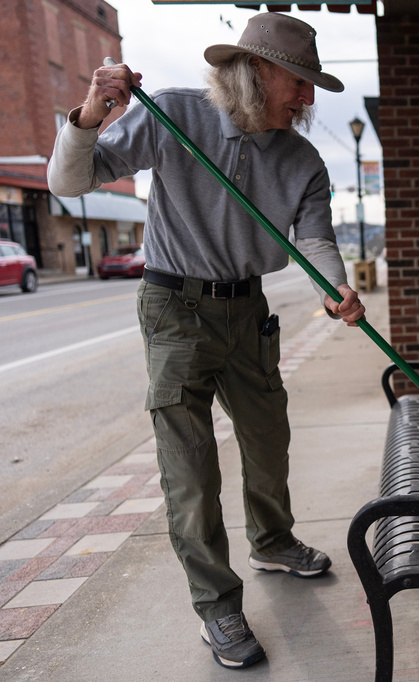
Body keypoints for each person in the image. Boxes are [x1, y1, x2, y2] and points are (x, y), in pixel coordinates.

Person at [47, 13, 365, 670]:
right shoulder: (174, 117)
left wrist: (337, 289)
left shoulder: (302, 160)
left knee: (268, 441)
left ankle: (273, 540)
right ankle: (217, 606)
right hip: (175, 309)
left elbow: (314, 241)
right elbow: (71, 182)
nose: (307, 99)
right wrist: (91, 111)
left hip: (248, 312)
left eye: (310, 86)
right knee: (191, 470)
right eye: (298, 83)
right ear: (257, 72)